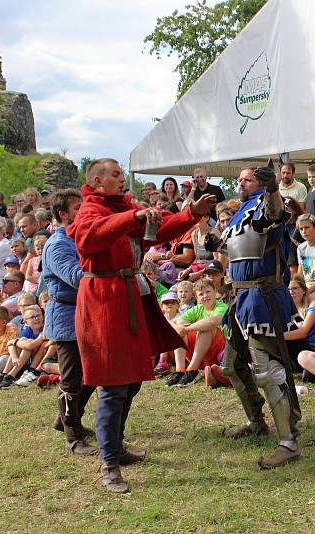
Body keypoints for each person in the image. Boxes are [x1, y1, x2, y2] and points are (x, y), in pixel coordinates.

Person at [69, 158, 214, 492]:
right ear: (97, 180)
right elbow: (89, 238)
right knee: (113, 384)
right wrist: (130, 217)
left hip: (128, 298)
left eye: (122, 173)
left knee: (131, 381)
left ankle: (115, 447)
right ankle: (108, 465)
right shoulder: (90, 210)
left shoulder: (126, 207)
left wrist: (193, 214)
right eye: (116, 175)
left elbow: (159, 229)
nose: (122, 179)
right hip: (103, 303)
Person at [218, 163, 301, 469]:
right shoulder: (240, 210)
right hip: (239, 295)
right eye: (238, 178)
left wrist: (273, 187)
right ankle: (256, 420)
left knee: (265, 370)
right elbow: (243, 250)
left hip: (261, 296)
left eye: (248, 178)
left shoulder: (267, 202)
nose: (241, 182)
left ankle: (288, 442)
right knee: (231, 365)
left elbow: (276, 214)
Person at [41, 189, 97, 454]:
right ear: (63, 214)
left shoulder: (76, 240)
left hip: (83, 313)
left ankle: (66, 419)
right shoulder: (58, 244)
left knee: (92, 372)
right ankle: (73, 437)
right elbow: (76, 277)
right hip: (66, 315)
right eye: (77, 208)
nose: (82, 212)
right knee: (72, 377)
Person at [167, 278, 227, 388]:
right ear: (197, 297)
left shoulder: (222, 306)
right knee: (180, 331)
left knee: (206, 328)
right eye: (201, 294)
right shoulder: (197, 309)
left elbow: (213, 321)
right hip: (201, 355)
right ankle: (180, 371)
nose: (205, 296)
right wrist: (180, 328)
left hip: (219, 352)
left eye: (208, 292)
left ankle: (192, 370)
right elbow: (176, 321)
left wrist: (187, 329)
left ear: (215, 292)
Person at [284, 274, 315, 373]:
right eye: (289, 289)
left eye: (294, 288)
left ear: (303, 290)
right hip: (298, 348)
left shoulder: (313, 304)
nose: (291, 292)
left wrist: (278, 337)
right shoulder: (287, 307)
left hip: (312, 349)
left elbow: (303, 332)